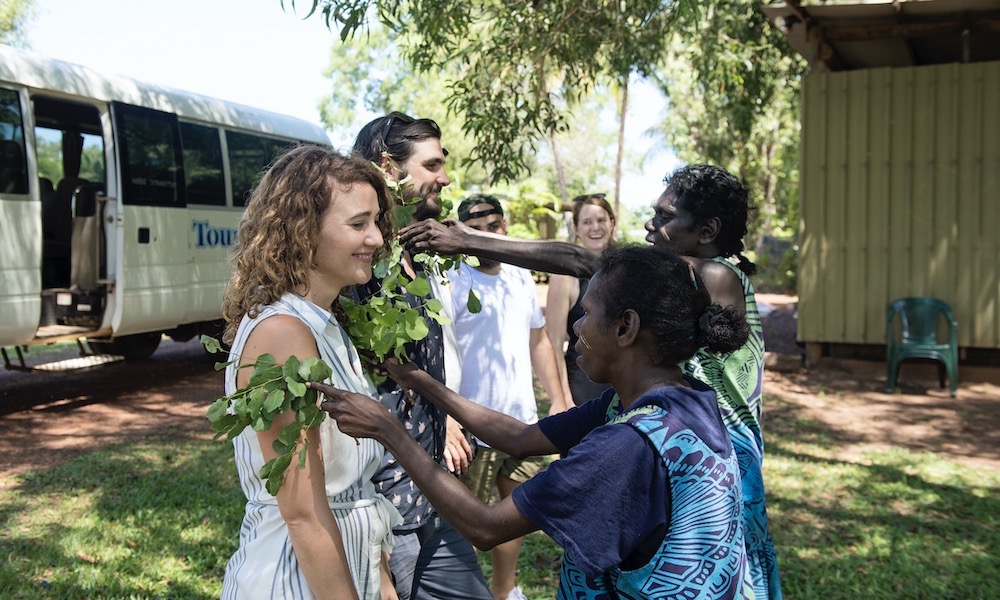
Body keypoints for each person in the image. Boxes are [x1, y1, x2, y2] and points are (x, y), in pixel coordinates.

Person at [400, 164, 783, 599]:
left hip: (699, 458)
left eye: (664, 216)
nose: (650, 225)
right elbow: (521, 437)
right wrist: (417, 379)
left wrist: (469, 240)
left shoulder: (713, 276)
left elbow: (588, 261)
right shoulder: (630, 408)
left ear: (708, 229)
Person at [313, 244, 757, 599]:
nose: (575, 327)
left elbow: (485, 527)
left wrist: (388, 430)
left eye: (587, 312)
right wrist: (417, 379)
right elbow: (520, 438)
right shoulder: (678, 399)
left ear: (626, 328)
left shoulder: (625, 444)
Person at [218, 145, 402, 600]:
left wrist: (381, 584)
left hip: (349, 565)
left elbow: (353, 489)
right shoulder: (283, 333)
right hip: (297, 579)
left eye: (375, 222)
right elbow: (302, 512)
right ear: (303, 231)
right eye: (358, 224)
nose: (377, 238)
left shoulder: (324, 323)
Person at [352, 112, 492, 600]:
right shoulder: (355, 266)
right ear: (389, 167)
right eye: (432, 165)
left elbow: (429, 354)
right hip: (384, 506)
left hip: (435, 491)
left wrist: (448, 418)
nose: (445, 178)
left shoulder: (421, 253)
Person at [449, 194, 569, 600]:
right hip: (472, 429)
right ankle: (462, 592)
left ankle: (505, 591)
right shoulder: (452, 280)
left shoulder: (520, 275)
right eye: (474, 230)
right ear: (462, 233)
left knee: (515, 516)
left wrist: (556, 397)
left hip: (523, 425)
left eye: (492, 227)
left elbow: (538, 340)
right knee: (465, 525)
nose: (485, 236)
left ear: (504, 227)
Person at [545, 193, 616, 406]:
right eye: (587, 222)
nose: (595, 227)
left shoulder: (626, 271)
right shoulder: (564, 277)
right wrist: (562, 399)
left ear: (612, 223)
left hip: (624, 383)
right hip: (582, 384)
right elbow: (554, 344)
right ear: (576, 229)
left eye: (601, 220)